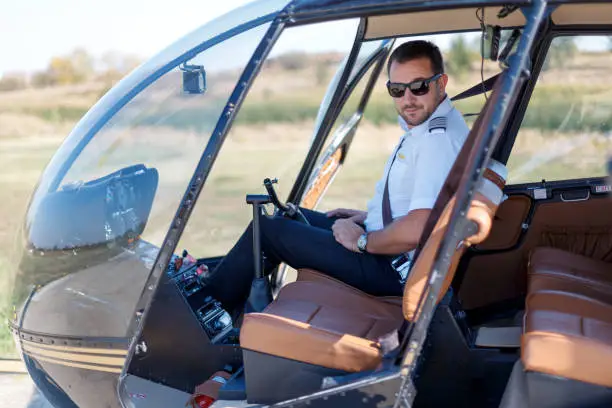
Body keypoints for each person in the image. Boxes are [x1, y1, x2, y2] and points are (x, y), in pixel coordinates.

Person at [204, 40, 469, 313]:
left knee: (270, 231)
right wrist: (369, 218)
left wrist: (362, 241)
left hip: (394, 268)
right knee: (284, 217)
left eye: (419, 86)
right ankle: (227, 311)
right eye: (397, 90)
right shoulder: (432, 128)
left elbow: (421, 226)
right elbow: (428, 207)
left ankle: (202, 314)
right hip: (395, 252)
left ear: (441, 83)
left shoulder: (437, 140)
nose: (407, 99)